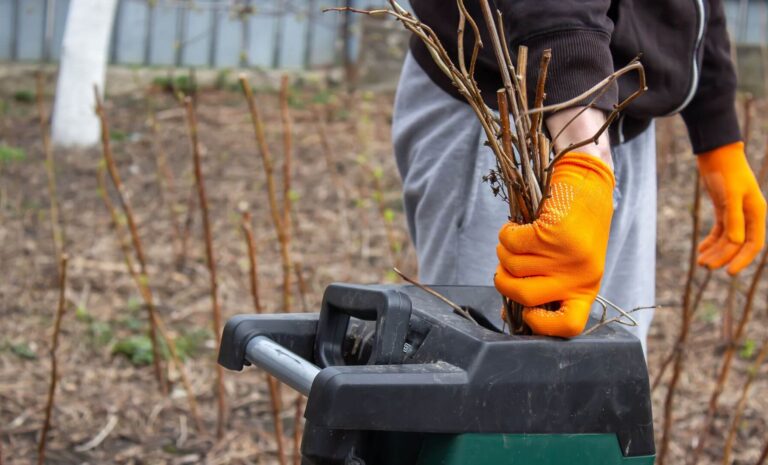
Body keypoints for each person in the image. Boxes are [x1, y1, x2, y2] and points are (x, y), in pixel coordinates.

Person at [392, 0, 766, 348]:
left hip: (621, 123)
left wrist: (715, 125)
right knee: (487, 379)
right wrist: (583, 153)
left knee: (605, 374)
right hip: (508, 113)